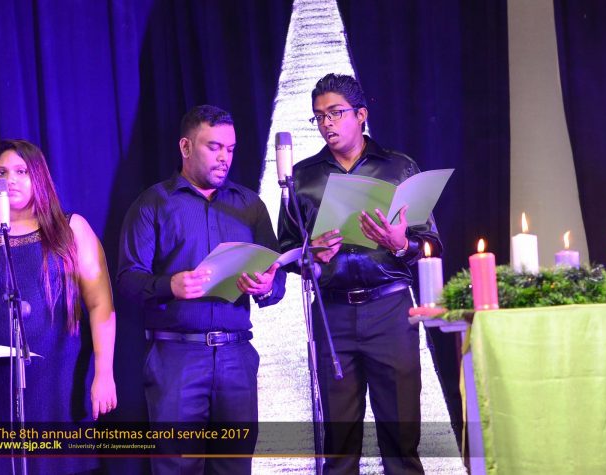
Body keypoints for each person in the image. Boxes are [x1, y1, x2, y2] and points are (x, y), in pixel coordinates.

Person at [277, 74, 443, 474]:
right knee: (339, 444)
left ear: (361, 115)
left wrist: (400, 243)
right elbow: (285, 251)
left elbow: (433, 245)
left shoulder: (399, 168)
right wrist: (311, 256)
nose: (327, 123)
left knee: (401, 439)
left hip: (390, 311)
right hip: (332, 314)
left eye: (335, 113)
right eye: (319, 116)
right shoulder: (303, 177)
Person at [117, 104, 285, 474]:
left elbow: (277, 279)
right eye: (214, 147)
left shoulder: (250, 206)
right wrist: (169, 285)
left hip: (236, 356)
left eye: (230, 148)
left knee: (235, 466)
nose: (225, 157)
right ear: (186, 147)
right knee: (176, 466)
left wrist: (266, 286)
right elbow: (128, 280)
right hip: (176, 357)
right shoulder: (153, 204)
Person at [0, 139, 117, 474]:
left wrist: (104, 374)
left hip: (59, 383)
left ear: (39, 177)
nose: (11, 179)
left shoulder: (72, 229)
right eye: (2, 173)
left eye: (21, 171)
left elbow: (101, 304)